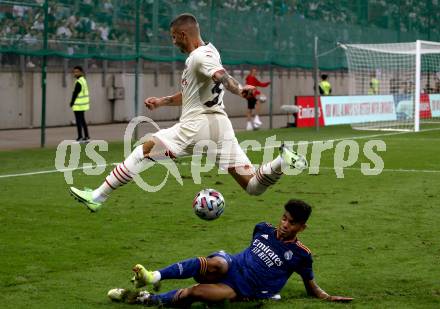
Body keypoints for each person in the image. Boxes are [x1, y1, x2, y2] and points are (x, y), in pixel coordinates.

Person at [69, 13, 307, 212]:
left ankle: (98, 196)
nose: (174, 42)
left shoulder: (198, 56)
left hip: (196, 126)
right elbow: (198, 90)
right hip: (220, 127)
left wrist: (240, 88)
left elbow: (222, 76)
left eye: (174, 37)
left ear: (183, 35)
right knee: (253, 185)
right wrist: (162, 102)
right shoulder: (210, 52)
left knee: (142, 150)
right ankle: (281, 161)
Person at [107, 199, 353, 306]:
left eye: (292, 222)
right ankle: (154, 276)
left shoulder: (301, 254)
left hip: (243, 290)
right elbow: (250, 255)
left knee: (197, 293)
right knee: (216, 263)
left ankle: (145, 299)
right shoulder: (263, 229)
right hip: (232, 265)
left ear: (302, 227)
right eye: (284, 218)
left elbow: (311, 286)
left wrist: (328, 297)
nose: (285, 224)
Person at [70, 65, 90, 142]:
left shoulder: (79, 82)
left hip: (78, 105)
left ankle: (80, 137)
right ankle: (87, 136)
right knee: (82, 120)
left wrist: (72, 102)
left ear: (81, 72)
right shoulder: (83, 80)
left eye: (77, 72)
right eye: (74, 72)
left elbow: (75, 93)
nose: (75, 73)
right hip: (83, 104)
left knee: (79, 121)